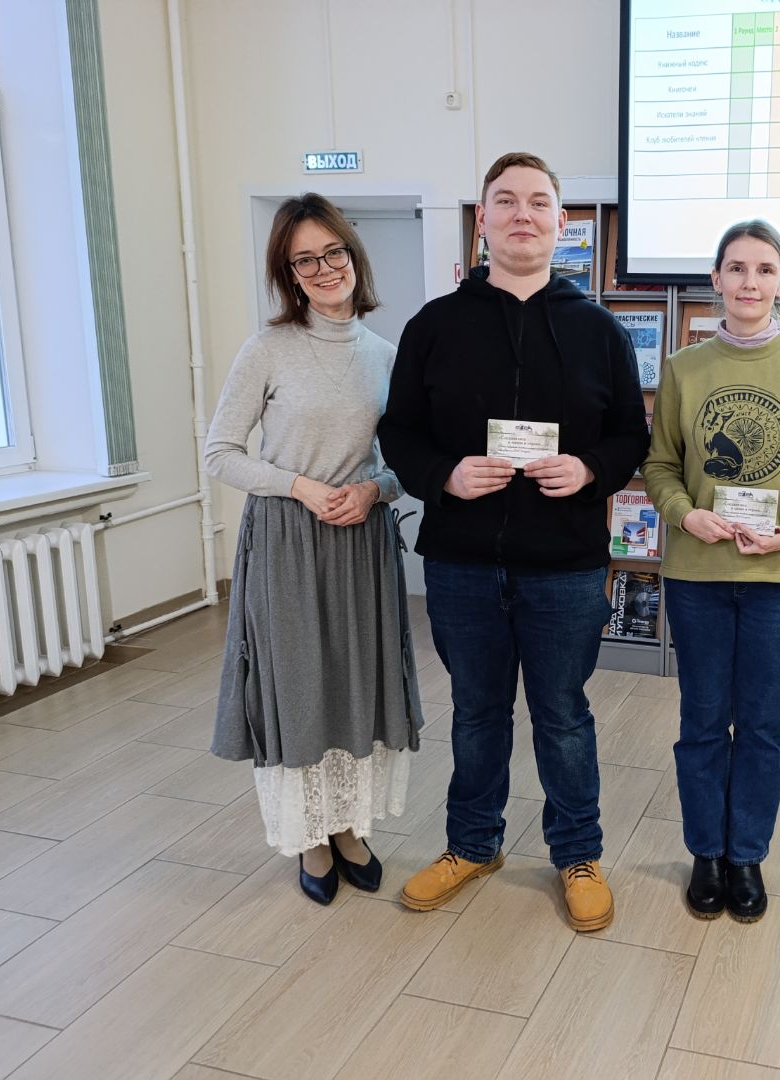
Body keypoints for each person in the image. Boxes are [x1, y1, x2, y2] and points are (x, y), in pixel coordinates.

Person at [378, 151, 649, 932]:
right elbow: (400, 431)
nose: (521, 214)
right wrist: (445, 476)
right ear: (483, 221)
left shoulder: (600, 331)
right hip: (461, 564)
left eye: (537, 202)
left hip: (565, 568)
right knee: (476, 714)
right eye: (505, 201)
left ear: (562, 224)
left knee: (563, 716)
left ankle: (578, 854)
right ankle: (473, 844)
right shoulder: (433, 326)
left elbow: (630, 435)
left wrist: (591, 468)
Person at [205, 193, 423, 906]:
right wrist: (297, 486)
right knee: (298, 686)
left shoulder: (386, 356)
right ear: (289, 274)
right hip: (287, 543)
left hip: (360, 543)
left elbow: (406, 463)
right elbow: (220, 452)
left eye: (334, 252)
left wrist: (375, 490)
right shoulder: (266, 350)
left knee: (356, 683)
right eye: (306, 260)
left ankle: (350, 827)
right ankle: (309, 837)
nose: (325, 268)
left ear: (354, 256)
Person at [641, 220, 780, 922]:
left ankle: (747, 854)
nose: (750, 282)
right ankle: (706, 851)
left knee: (761, 724)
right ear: (716, 279)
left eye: (764, 269)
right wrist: (684, 514)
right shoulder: (683, 368)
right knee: (702, 718)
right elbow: (661, 465)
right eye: (736, 268)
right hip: (698, 572)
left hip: (779, 576)